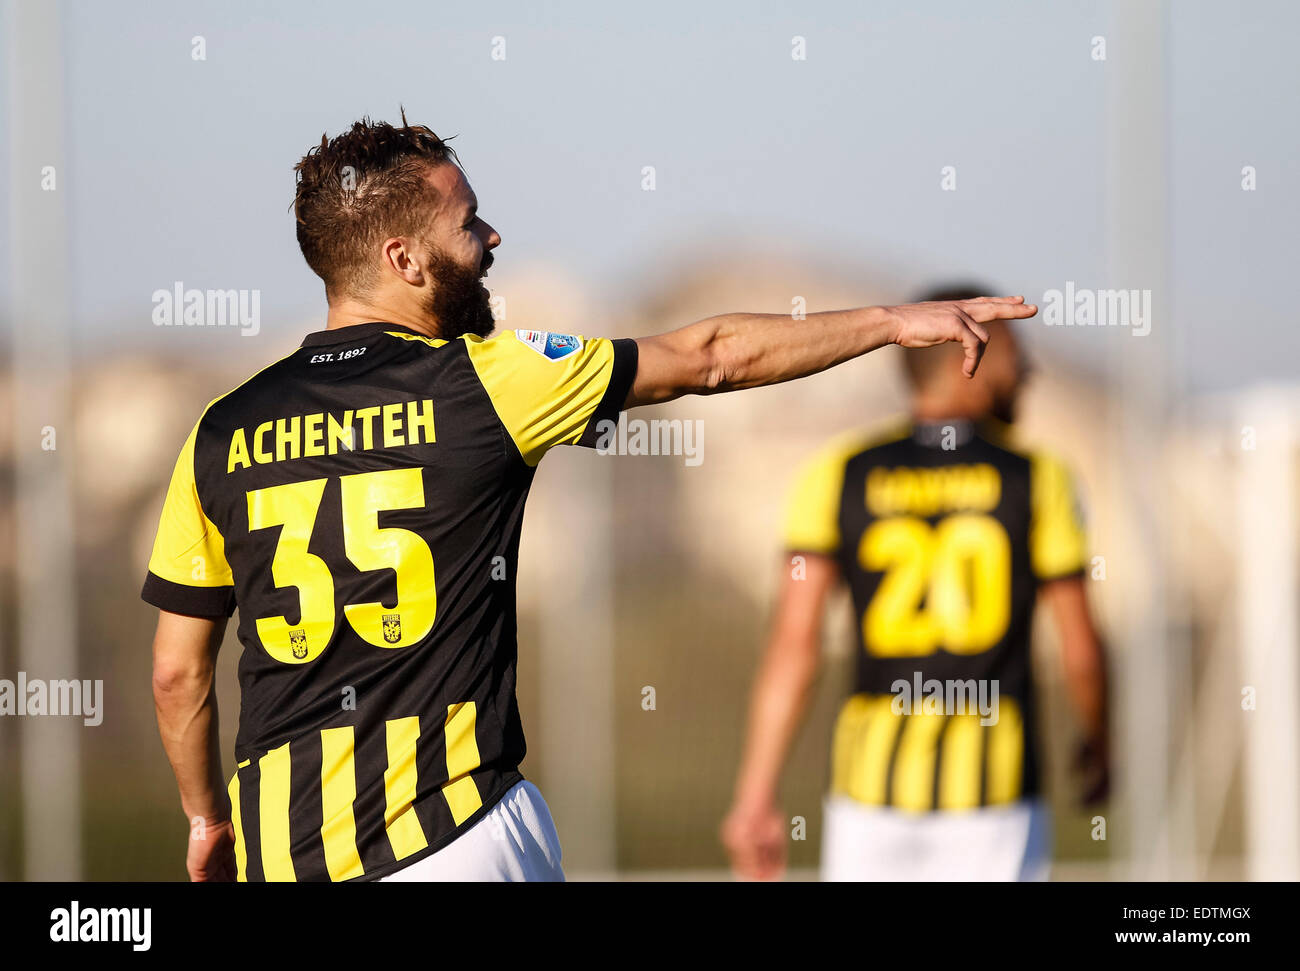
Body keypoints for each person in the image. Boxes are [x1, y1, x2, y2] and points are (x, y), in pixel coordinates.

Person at [143, 118, 1037, 882]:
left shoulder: (218, 432)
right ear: (403, 258)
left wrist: (205, 817)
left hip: (284, 855)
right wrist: (890, 321)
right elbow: (713, 354)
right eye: (470, 223)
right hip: (456, 837)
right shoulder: (488, 381)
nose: (492, 238)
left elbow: (178, 673)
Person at [721, 284, 1109, 881]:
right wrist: (1099, 738)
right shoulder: (1041, 478)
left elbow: (794, 646)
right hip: (996, 795)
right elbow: (1080, 652)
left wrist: (755, 795)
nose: (1027, 372)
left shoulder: (838, 471)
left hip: (867, 799)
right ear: (970, 355)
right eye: (1013, 355)